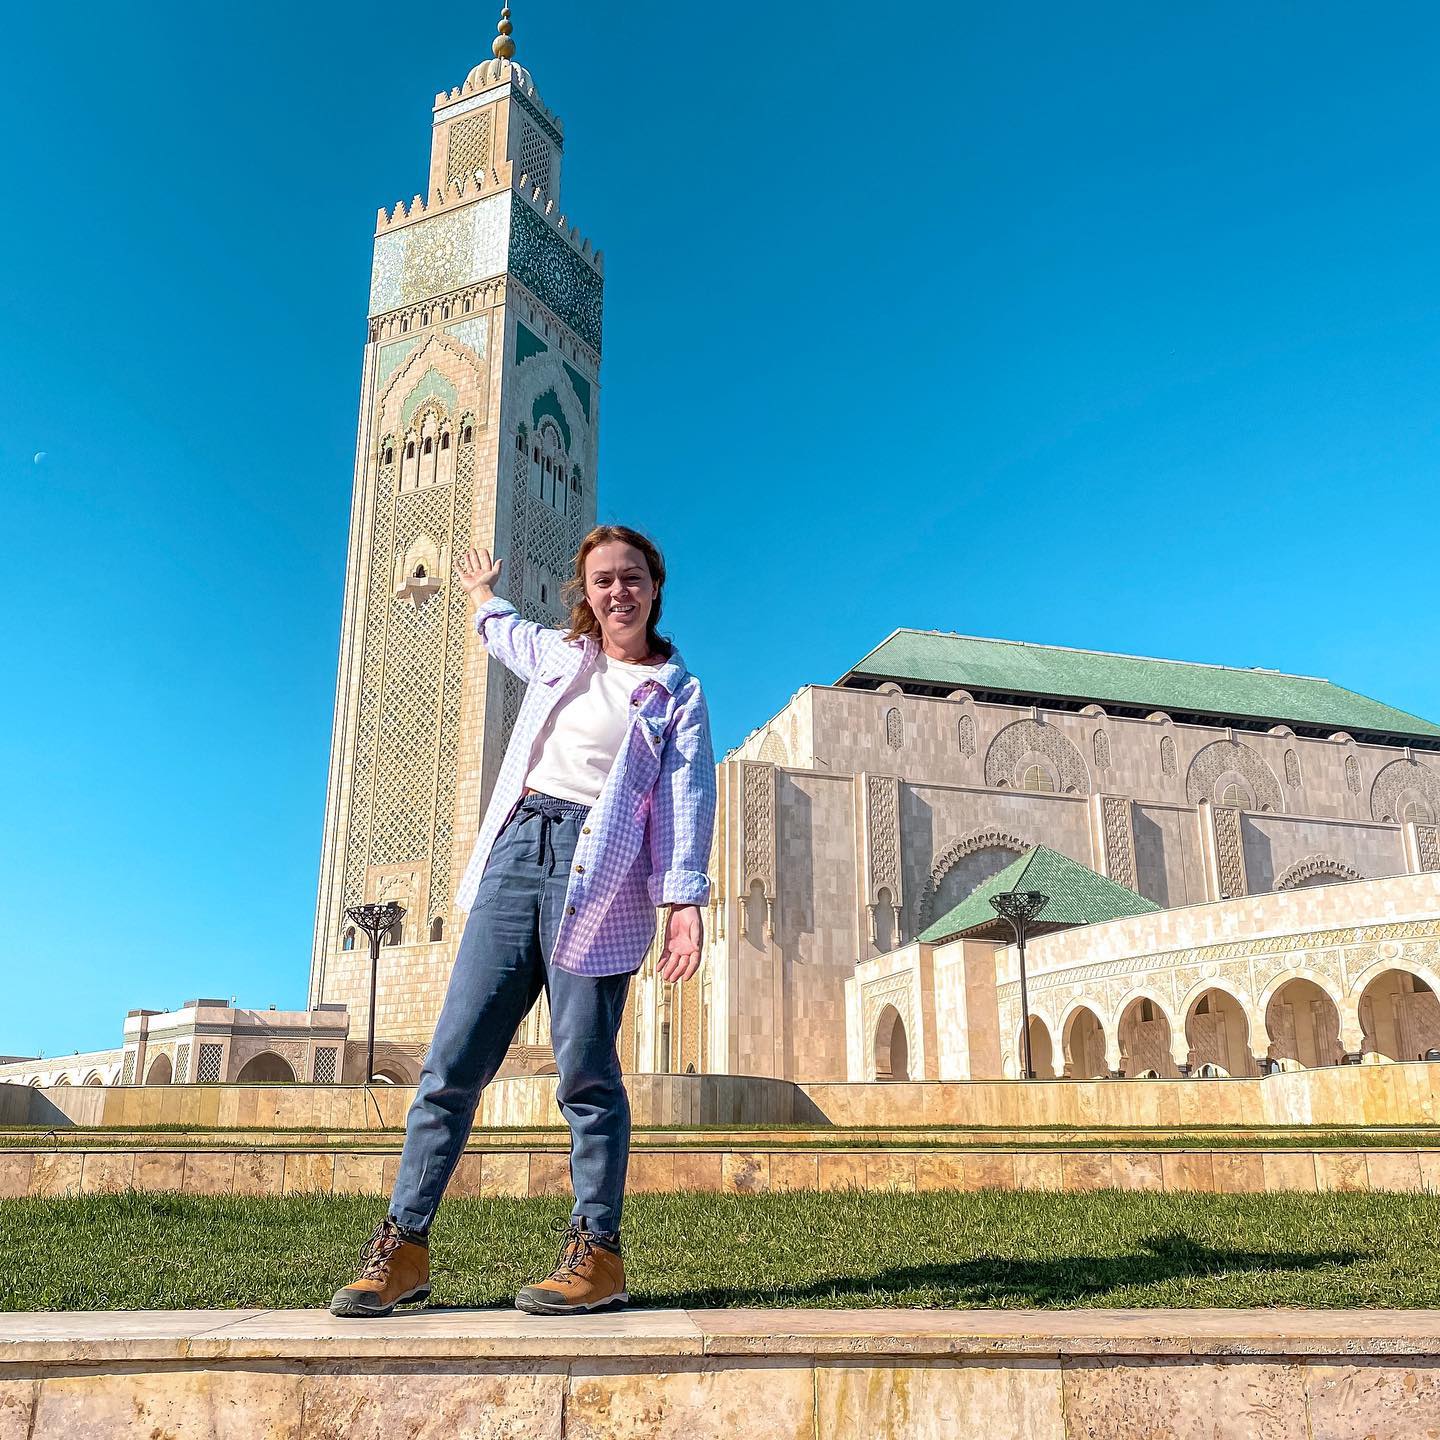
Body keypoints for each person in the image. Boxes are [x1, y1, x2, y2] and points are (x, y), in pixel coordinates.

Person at [329, 525, 716, 1318]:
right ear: (588, 592)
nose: (618, 591)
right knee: (451, 1063)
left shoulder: (676, 691)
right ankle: (401, 1247)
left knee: (585, 1071)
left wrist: (683, 901)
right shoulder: (561, 655)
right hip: (518, 848)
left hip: (603, 872)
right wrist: (478, 592)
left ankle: (597, 1255)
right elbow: (503, 634)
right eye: (603, 579)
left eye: (632, 577)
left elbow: (685, 797)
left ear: (654, 587)